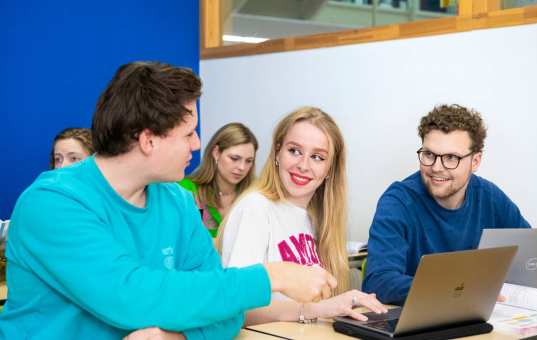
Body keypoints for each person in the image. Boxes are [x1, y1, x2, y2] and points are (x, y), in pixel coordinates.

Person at [0, 62, 338, 339]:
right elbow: (131, 295)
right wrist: (269, 277)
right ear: (149, 140)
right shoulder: (51, 204)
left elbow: (228, 311)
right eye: (188, 133)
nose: (197, 144)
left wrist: (179, 338)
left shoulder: (176, 200)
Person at [362, 104, 537, 305]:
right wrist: (462, 289)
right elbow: (379, 281)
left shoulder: (490, 197)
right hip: (421, 325)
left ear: (475, 161)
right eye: (428, 154)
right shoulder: (397, 201)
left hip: (480, 320)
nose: (436, 167)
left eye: (451, 158)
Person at [220, 107, 387, 326]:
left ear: (330, 169)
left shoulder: (318, 220)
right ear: (277, 152)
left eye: (317, 157)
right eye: (294, 151)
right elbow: (237, 306)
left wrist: (344, 303)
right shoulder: (255, 208)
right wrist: (314, 310)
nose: (303, 165)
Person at [180, 122, 258, 238]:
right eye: (234, 158)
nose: (242, 167)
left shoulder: (256, 194)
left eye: (248, 161)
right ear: (216, 153)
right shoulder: (187, 191)